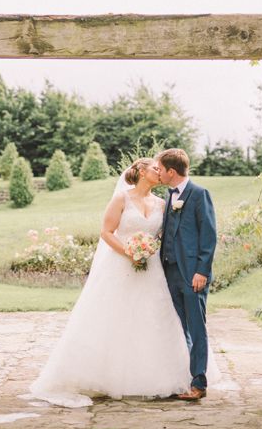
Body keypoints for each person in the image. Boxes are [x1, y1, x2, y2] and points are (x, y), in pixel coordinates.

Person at [28, 157, 195, 407]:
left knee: (154, 316)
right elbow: (106, 232)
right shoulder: (122, 198)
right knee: (115, 317)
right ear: (140, 170)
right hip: (121, 265)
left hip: (152, 268)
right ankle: (108, 375)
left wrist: (150, 250)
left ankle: (155, 375)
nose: (159, 172)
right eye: (155, 168)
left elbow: (164, 235)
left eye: (160, 170)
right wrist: (130, 252)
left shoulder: (162, 203)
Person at [156, 148, 217, 401]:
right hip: (169, 272)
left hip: (192, 275)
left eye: (160, 169)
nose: (157, 173)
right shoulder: (169, 197)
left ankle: (199, 383)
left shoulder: (200, 194)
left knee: (196, 327)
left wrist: (202, 271)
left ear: (172, 171)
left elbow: (209, 235)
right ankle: (182, 377)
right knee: (178, 328)